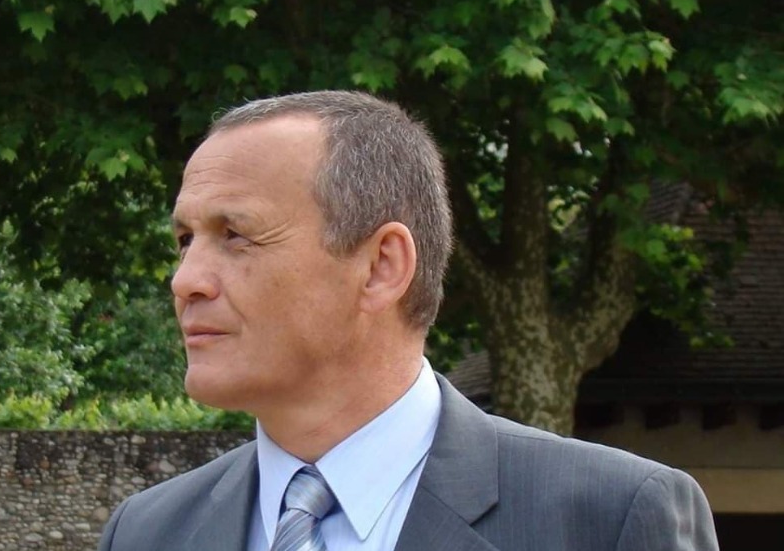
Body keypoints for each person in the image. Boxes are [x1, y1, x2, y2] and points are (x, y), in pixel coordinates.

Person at [97, 91, 718, 551]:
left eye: (235, 235)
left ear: (381, 266)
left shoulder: (607, 520)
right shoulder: (147, 533)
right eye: (185, 240)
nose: (185, 280)